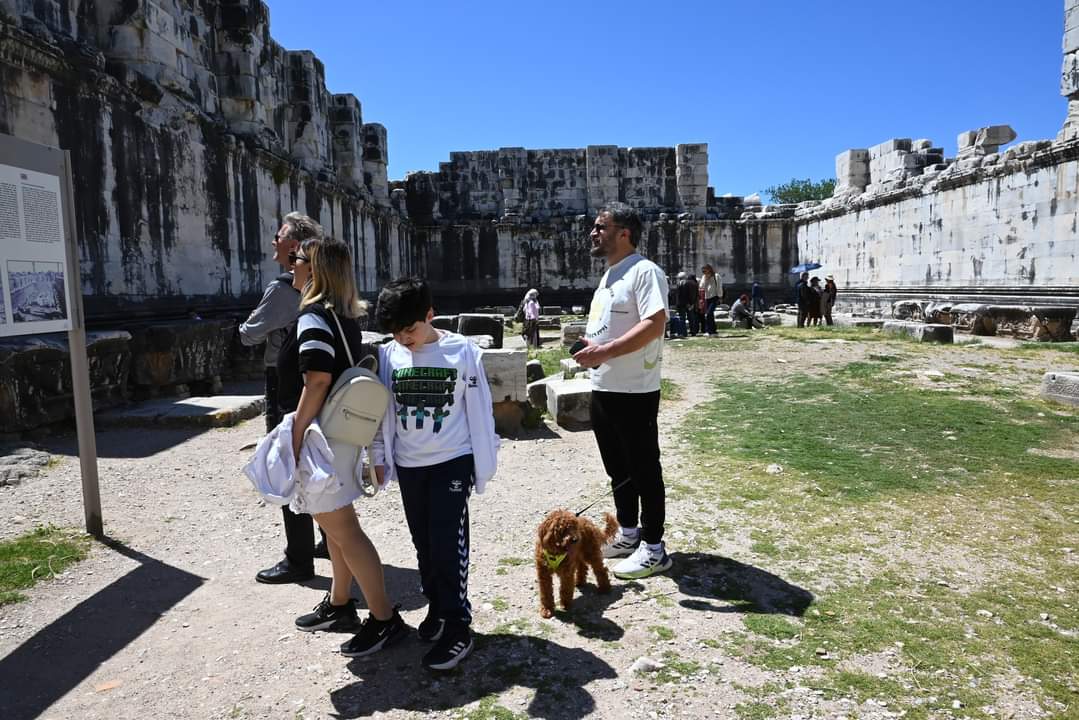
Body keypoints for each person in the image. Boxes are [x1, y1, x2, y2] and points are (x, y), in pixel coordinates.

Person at [276, 237, 405, 657]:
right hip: (342, 435)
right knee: (335, 528)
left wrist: (295, 436)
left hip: (322, 438)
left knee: (345, 530)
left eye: (296, 258)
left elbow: (316, 381)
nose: (290, 264)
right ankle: (339, 603)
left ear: (312, 269)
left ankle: (384, 619)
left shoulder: (314, 317)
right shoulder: (343, 316)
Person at [372, 278, 500, 671]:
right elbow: (381, 411)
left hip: (452, 461)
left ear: (429, 315)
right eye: (396, 332)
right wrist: (378, 455)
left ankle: (458, 624)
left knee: (447, 541)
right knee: (423, 543)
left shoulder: (462, 352)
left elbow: (480, 408)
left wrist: (483, 462)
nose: (403, 339)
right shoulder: (389, 355)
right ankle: (438, 608)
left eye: (409, 330)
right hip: (410, 465)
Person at [574, 203, 672, 580]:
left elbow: (654, 324)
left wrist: (605, 351)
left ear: (624, 233)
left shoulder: (645, 272)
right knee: (617, 468)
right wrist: (592, 346)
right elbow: (610, 328)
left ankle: (654, 548)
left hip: (635, 390)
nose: (593, 232)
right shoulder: (609, 276)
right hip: (604, 386)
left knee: (644, 469)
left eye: (601, 227)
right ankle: (628, 533)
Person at [241, 211, 328, 585]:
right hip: (317, 377)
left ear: (293, 246)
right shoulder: (327, 283)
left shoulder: (281, 290)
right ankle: (329, 538)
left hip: (285, 381)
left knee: (289, 463)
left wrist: (251, 324)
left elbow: (249, 333)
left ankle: (298, 558)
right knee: (319, 459)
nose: (273, 243)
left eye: (278, 237)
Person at [700, 264, 721, 336]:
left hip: (714, 297)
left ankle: (710, 330)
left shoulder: (716, 276)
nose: (704, 273)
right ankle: (712, 331)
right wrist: (705, 278)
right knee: (710, 315)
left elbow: (719, 286)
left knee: (708, 314)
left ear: (709, 270)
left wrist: (720, 296)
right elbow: (701, 286)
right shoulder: (704, 277)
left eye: (705, 271)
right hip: (707, 297)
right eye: (703, 272)